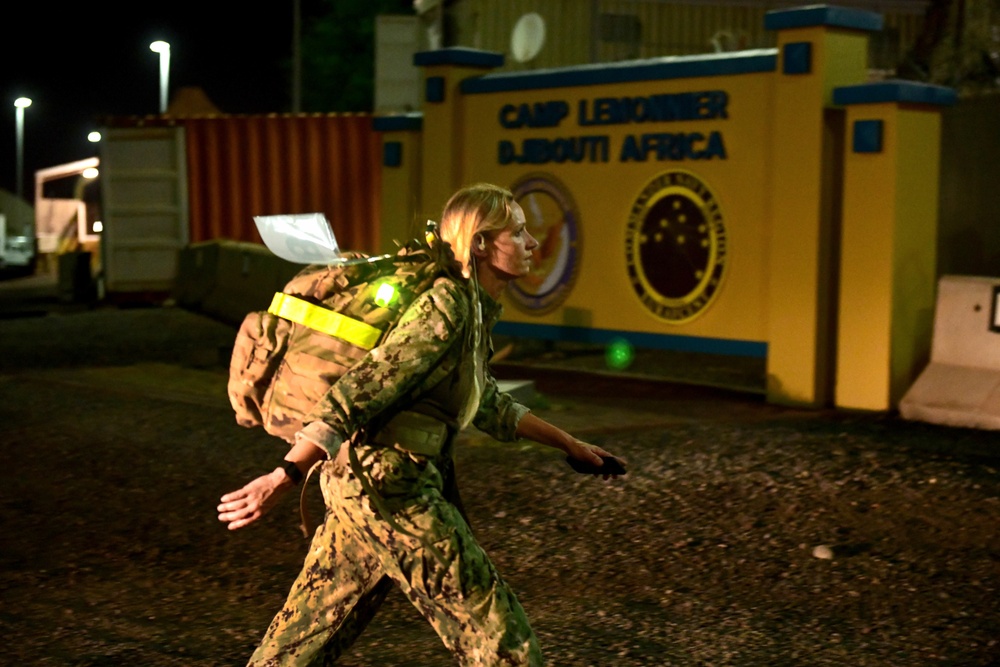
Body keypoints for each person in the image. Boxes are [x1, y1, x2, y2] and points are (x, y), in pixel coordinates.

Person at [217, 182, 627, 666]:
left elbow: (486, 400)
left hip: (368, 483)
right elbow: (359, 390)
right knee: (494, 630)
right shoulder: (446, 306)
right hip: (390, 487)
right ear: (480, 243)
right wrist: (285, 474)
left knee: (305, 637)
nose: (532, 243)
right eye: (517, 233)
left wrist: (568, 444)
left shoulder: (470, 306)